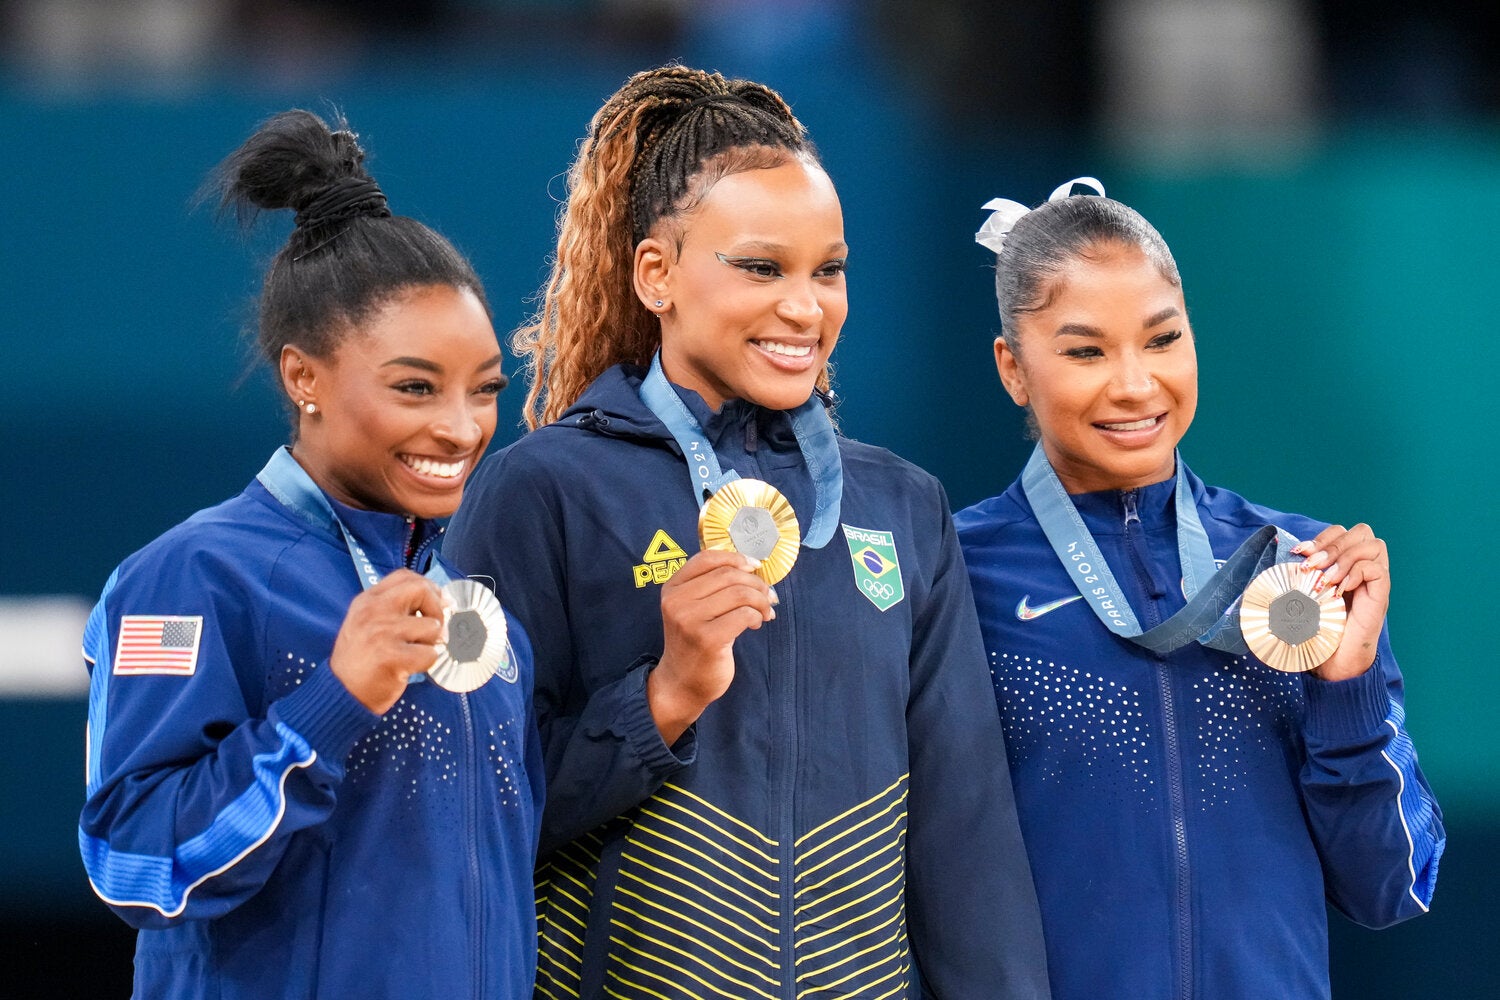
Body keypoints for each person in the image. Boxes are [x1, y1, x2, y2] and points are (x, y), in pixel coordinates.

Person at [444, 65, 1049, 999]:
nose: (805, 307)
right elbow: (461, 820)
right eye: (761, 268)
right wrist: (662, 697)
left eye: (829, 271)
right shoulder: (542, 492)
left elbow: (963, 836)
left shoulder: (901, 507)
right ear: (657, 274)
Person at [77, 109, 542, 999]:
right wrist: (329, 707)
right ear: (304, 378)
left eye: (484, 389)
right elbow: (129, 860)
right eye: (415, 386)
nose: (460, 426)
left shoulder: (479, 617)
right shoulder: (194, 577)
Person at [955, 178, 1445, 999]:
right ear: (1013, 368)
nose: (1135, 384)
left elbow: (1391, 885)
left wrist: (1347, 691)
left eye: (1162, 340)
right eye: (1085, 351)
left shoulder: (1297, 567)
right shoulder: (955, 572)